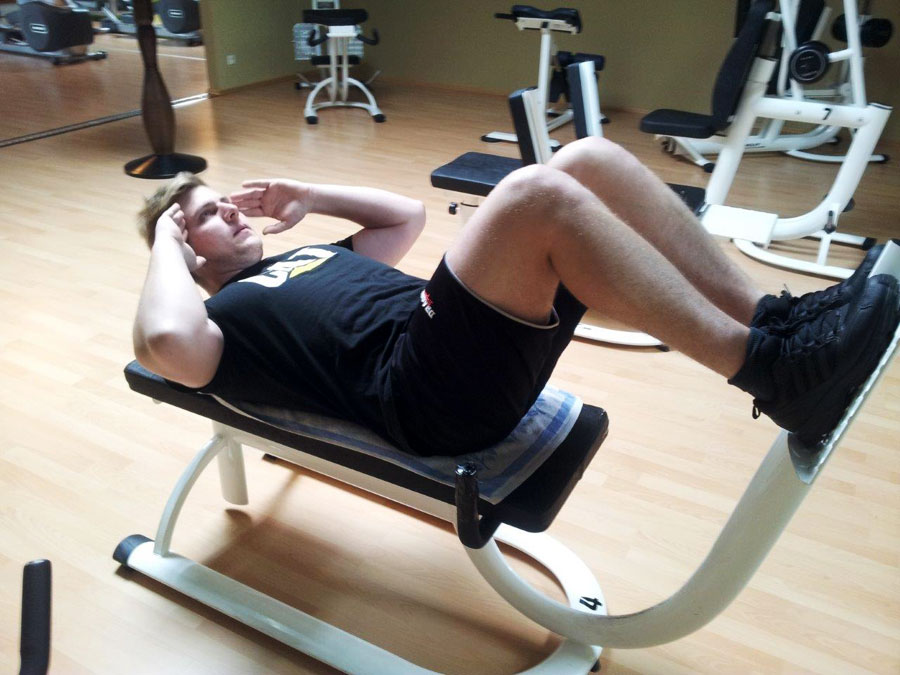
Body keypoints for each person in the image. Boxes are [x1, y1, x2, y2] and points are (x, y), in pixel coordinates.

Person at [133, 137, 899, 456]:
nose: (228, 208)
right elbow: (165, 344)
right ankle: (768, 369)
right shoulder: (218, 320)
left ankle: (775, 323)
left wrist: (310, 194)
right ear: (186, 251)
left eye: (221, 199)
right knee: (533, 193)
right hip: (427, 396)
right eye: (206, 215)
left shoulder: (310, 257)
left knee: (587, 159)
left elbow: (405, 217)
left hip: (455, 349)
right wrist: (165, 238)